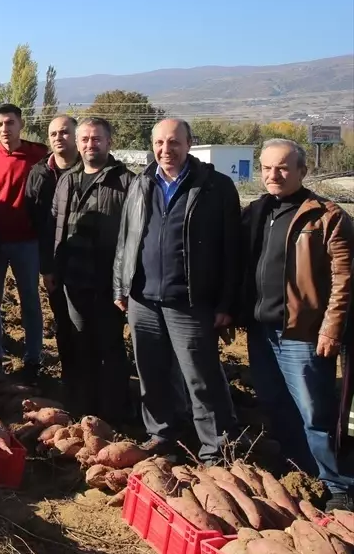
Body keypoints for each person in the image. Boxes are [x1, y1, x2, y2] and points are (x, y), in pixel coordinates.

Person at [114, 118, 241, 463]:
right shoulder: (141, 183)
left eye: (174, 143)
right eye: (159, 143)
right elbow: (127, 239)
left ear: (189, 144)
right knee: (151, 374)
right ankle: (162, 433)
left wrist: (226, 302)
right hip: (143, 298)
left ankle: (217, 448)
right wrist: (121, 285)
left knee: (201, 377)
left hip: (190, 301)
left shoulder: (215, 186)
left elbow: (232, 250)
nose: (165, 150)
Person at [243, 139, 354, 510]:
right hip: (262, 330)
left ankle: (337, 485)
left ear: (302, 172)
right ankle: (296, 470)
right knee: (275, 403)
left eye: (283, 168)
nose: (273, 175)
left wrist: (330, 328)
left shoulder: (326, 215)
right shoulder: (258, 212)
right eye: (267, 168)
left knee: (314, 411)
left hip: (302, 333)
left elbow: (345, 279)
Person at [49, 117, 133, 423]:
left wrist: (124, 282)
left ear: (109, 142)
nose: (89, 145)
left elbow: (134, 236)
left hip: (109, 284)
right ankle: (84, 409)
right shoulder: (67, 180)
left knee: (109, 347)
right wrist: (54, 268)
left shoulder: (126, 182)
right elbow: (56, 226)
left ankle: (114, 412)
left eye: (96, 139)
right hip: (74, 280)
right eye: (84, 139)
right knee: (80, 345)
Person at [0, 103, 49, 379]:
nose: (4, 129)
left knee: (29, 299)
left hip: (27, 242)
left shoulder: (38, 155)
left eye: (9, 123)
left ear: (20, 124)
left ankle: (33, 357)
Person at [30, 114, 80, 384]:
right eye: (53, 134)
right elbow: (37, 220)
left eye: (64, 132)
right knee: (63, 321)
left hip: (92, 264)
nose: (59, 138)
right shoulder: (40, 173)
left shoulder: (93, 169)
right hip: (56, 262)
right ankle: (71, 377)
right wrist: (46, 266)